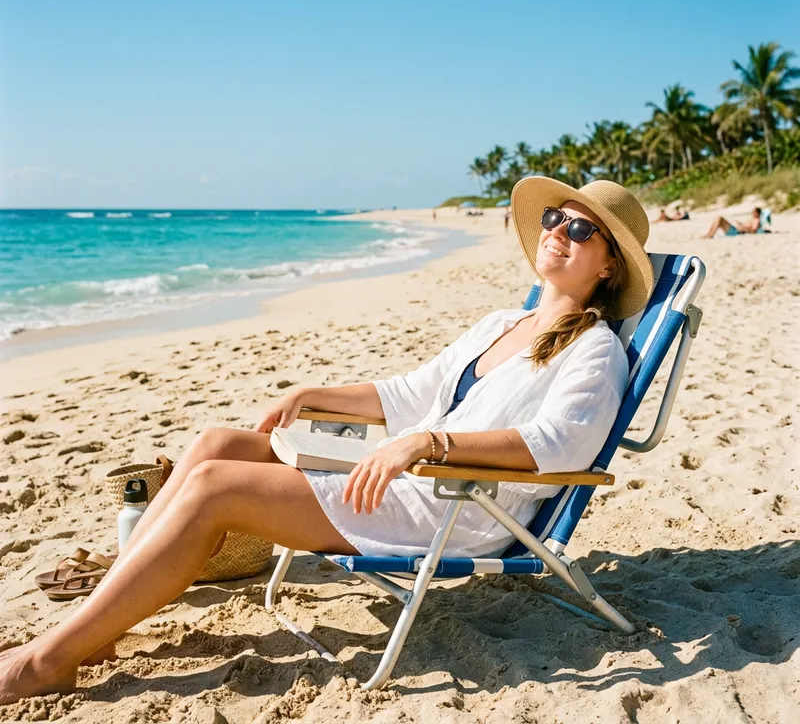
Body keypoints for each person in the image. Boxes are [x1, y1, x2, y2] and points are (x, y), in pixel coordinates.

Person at [0, 178, 654, 703]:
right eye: (554, 221)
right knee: (213, 444)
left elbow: (560, 445)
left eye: (580, 230)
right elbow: (408, 393)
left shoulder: (595, 351)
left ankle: (48, 660)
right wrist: (310, 394)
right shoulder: (501, 322)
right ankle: (98, 629)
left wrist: (429, 445)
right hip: (408, 475)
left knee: (210, 488)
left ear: (607, 265)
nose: (559, 235)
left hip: (454, 507)